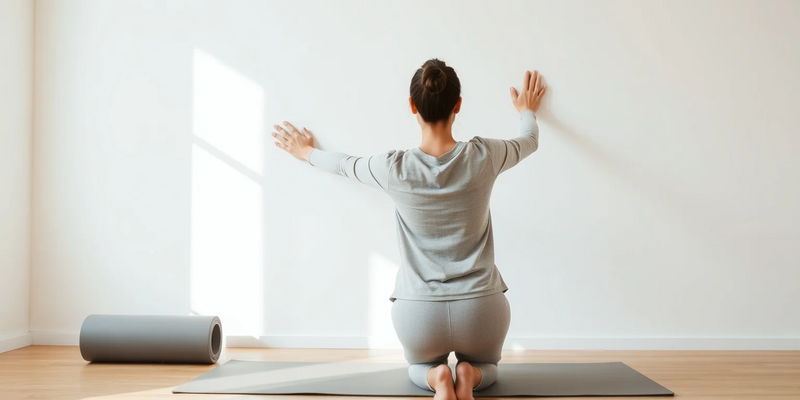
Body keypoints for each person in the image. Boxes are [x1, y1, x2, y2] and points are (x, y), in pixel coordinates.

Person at [272, 59, 546, 400]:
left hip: (419, 314)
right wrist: (526, 110)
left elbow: (343, 164)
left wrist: (306, 152)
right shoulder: (484, 155)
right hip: (480, 309)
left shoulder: (393, 168)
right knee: (487, 368)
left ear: (413, 106)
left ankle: (436, 378)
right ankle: (469, 374)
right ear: (458, 105)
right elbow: (529, 140)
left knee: (418, 368)